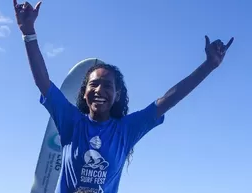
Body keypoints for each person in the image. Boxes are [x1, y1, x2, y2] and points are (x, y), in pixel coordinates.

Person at [13, 1, 234, 193]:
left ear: (117, 95)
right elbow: (44, 83)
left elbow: (169, 99)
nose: (99, 90)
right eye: (94, 84)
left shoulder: (125, 131)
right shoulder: (71, 123)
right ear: (85, 92)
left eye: (107, 86)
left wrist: (208, 66)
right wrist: (28, 32)